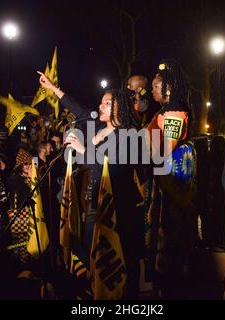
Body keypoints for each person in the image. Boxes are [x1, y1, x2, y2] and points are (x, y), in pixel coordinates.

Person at [38, 70, 144, 298]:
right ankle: (95, 290)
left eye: (107, 103)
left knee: (111, 256)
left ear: (120, 108)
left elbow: (112, 170)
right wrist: (53, 88)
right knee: (83, 248)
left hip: (114, 209)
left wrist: (83, 150)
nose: (101, 105)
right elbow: (78, 109)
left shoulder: (129, 136)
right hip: (91, 201)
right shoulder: (98, 127)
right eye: (102, 101)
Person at [144, 58, 198, 298]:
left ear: (167, 88)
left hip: (172, 173)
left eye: (156, 87)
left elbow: (167, 145)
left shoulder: (175, 110)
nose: (152, 90)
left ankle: (171, 277)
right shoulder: (165, 110)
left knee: (171, 224)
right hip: (164, 168)